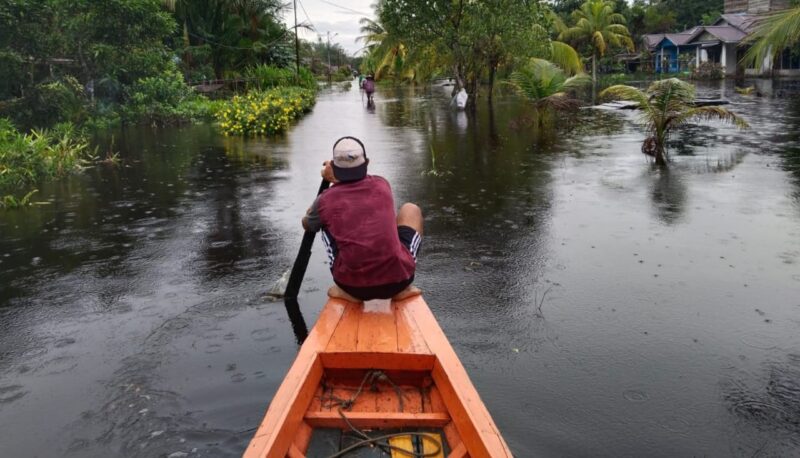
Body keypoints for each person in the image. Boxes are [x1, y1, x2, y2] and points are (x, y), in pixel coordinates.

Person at [302, 136, 423, 302]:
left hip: (352, 286)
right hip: (400, 281)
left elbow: (308, 225)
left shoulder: (325, 200)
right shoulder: (382, 185)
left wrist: (316, 206)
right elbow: (356, 189)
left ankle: (348, 293)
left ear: (334, 168)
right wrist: (337, 176)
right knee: (411, 209)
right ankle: (401, 289)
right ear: (367, 162)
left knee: (324, 220)